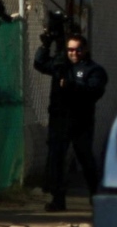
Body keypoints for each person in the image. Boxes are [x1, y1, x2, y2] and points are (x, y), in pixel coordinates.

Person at [35, 32, 108, 213]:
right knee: (56, 159)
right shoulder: (61, 66)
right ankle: (58, 199)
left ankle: (95, 194)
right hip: (60, 120)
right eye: (70, 49)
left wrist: (71, 86)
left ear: (85, 49)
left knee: (85, 158)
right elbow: (40, 64)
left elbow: (94, 91)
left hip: (81, 121)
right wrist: (45, 46)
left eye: (78, 49)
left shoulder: (93, 70)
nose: (74, 53)